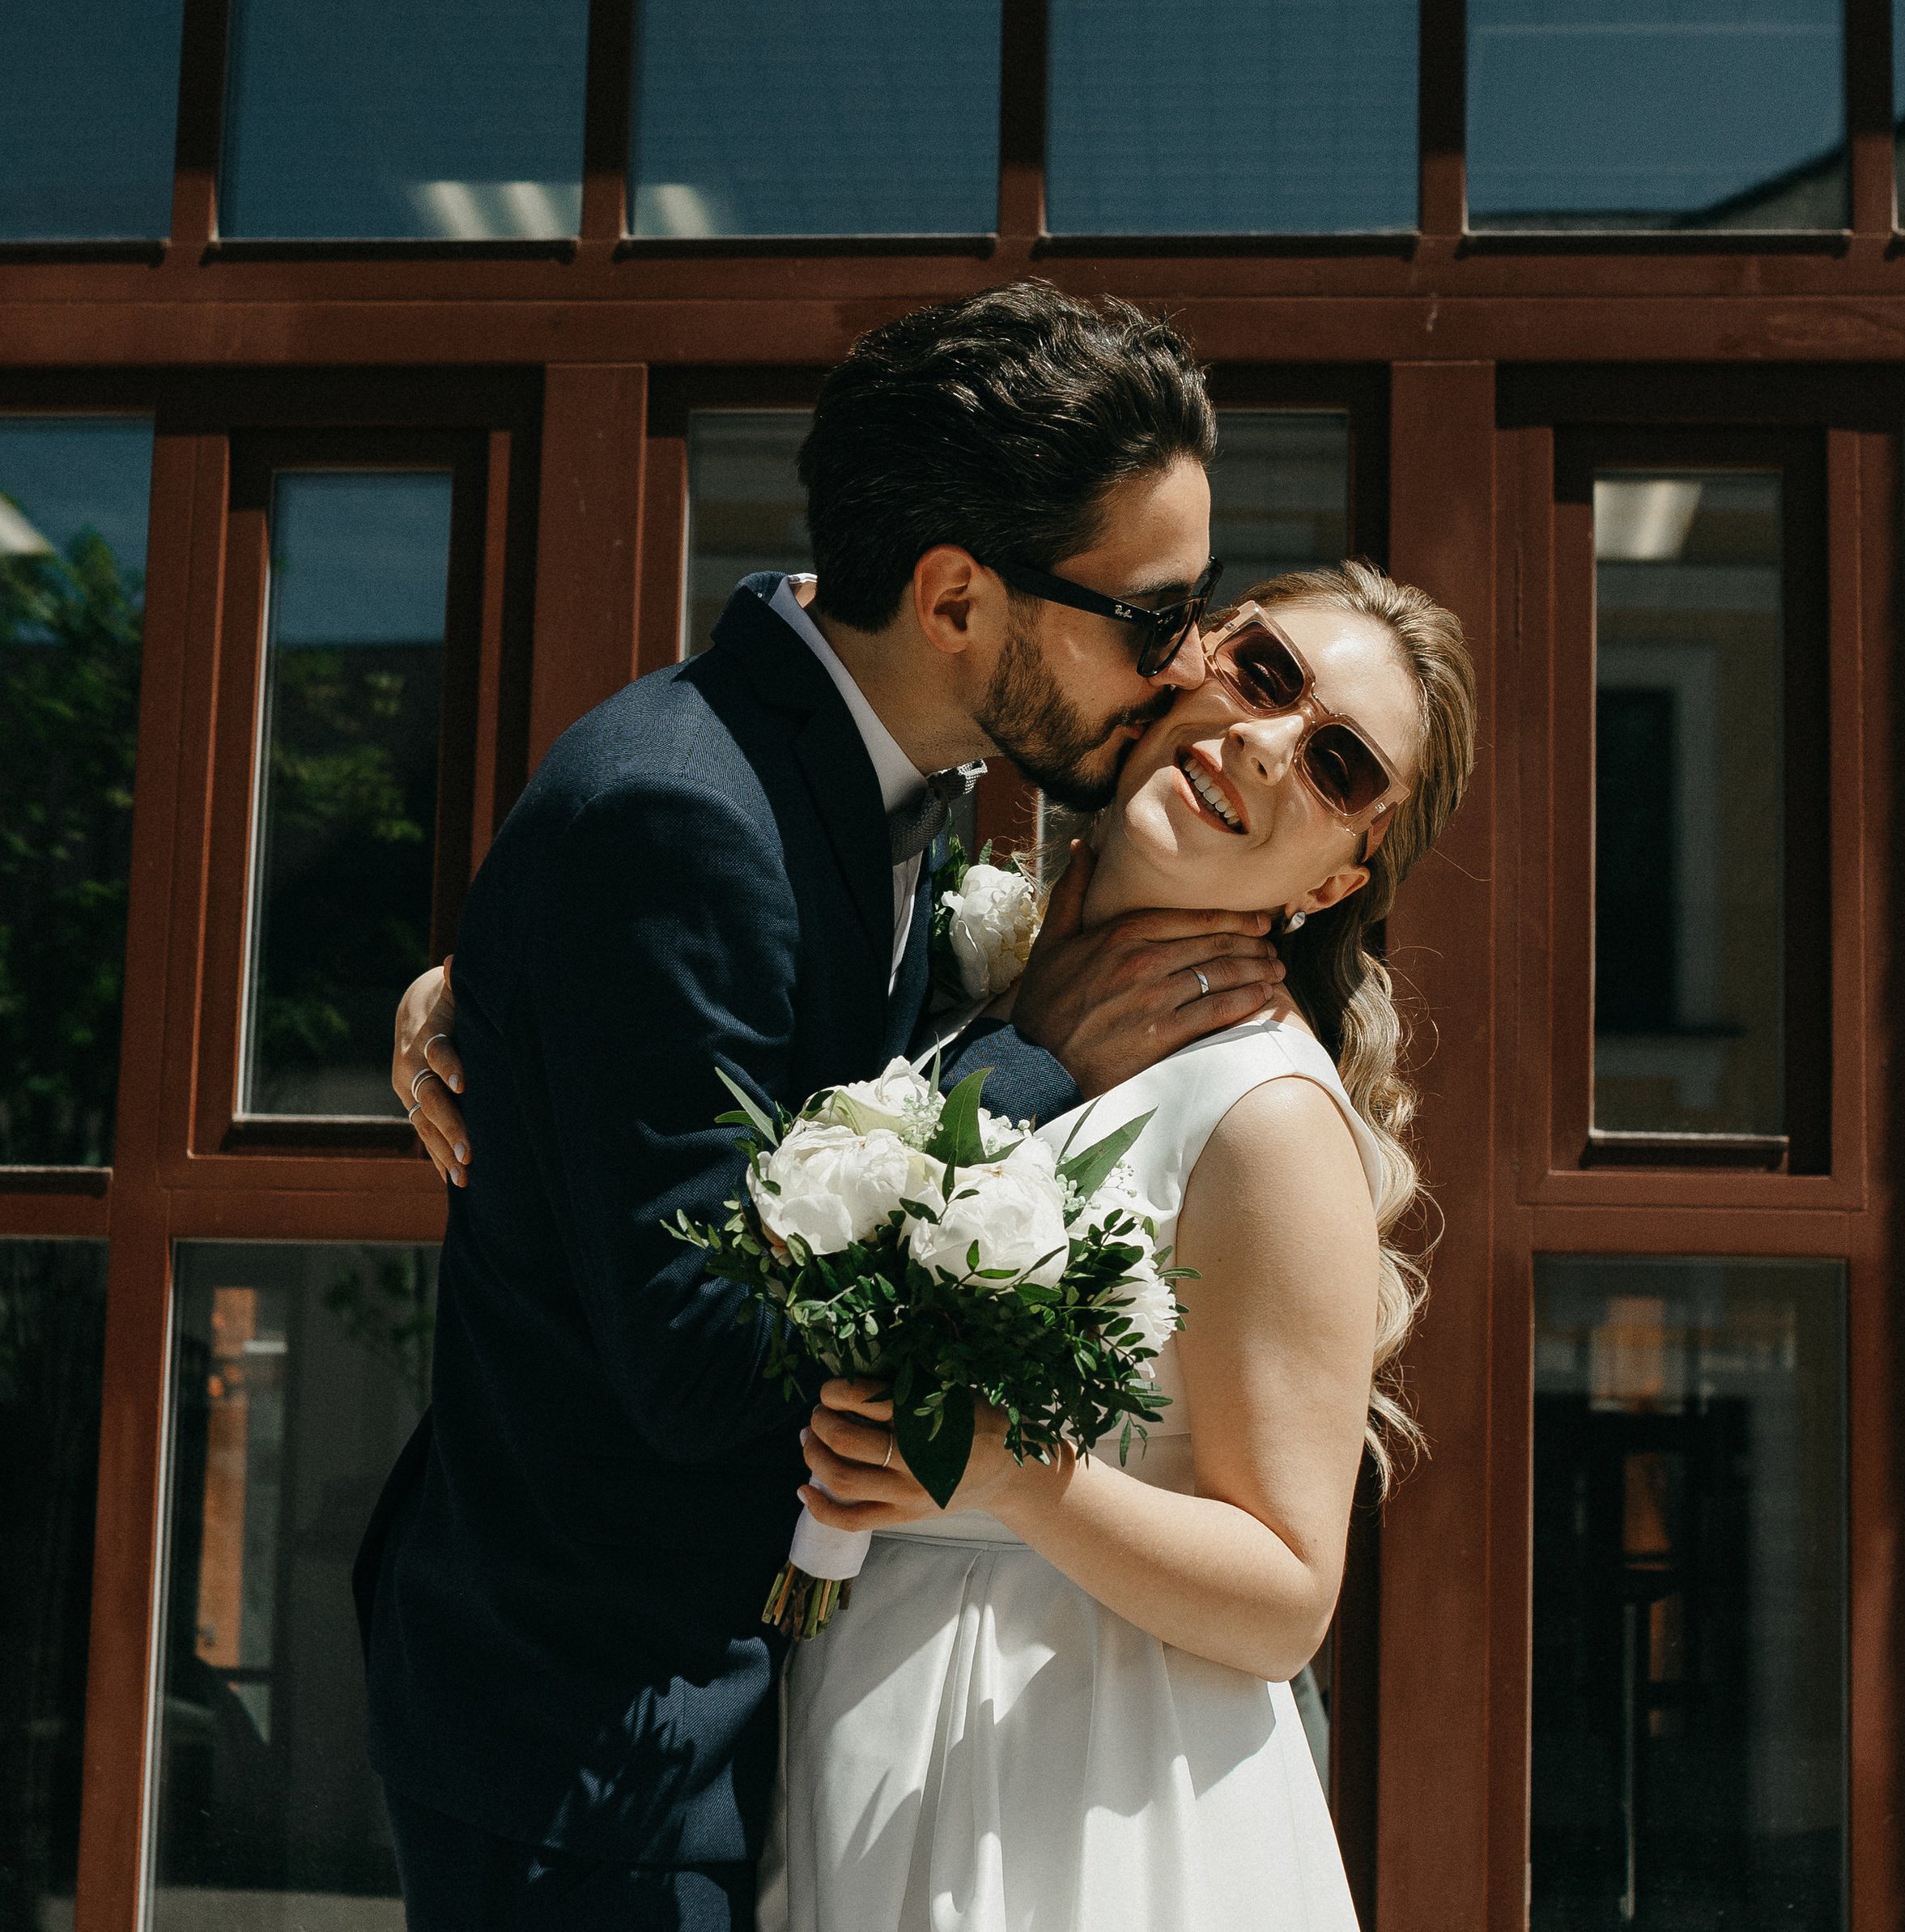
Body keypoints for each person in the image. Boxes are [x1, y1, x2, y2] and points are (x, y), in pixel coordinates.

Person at [357, 283, 1291, 1931]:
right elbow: (704, 1360)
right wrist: (1031, 1055)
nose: (1184, 669)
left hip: (753, 1713)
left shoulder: (889, 785)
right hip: (593, 1727)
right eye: (1152, 617)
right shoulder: (680, 814)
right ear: (952, 597)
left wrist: (496, 986)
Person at [755, 557, 1474, 1932]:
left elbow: (1288, 1595)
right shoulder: (970, 970)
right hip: (868, 1710)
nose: (1265, 744)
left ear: (1339, 877)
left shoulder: (1263, 1113)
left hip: (1074, 1784)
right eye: (1264, 674)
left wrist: (1025, 1482)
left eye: (1334, 764)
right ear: (1189, 657)